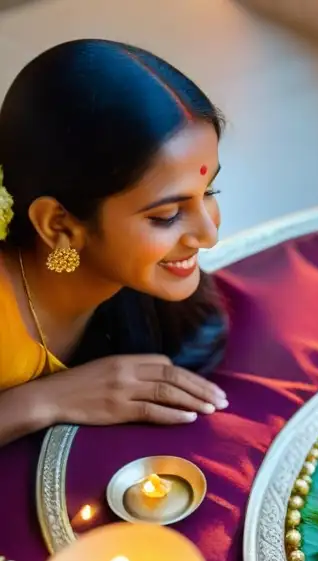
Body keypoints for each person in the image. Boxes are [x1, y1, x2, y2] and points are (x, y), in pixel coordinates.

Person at [0, 40, 229, 447]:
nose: (209, 234)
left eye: (211, 190)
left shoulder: (142, 298)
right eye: (166, 216)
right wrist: (42, 401)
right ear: (58, 226)